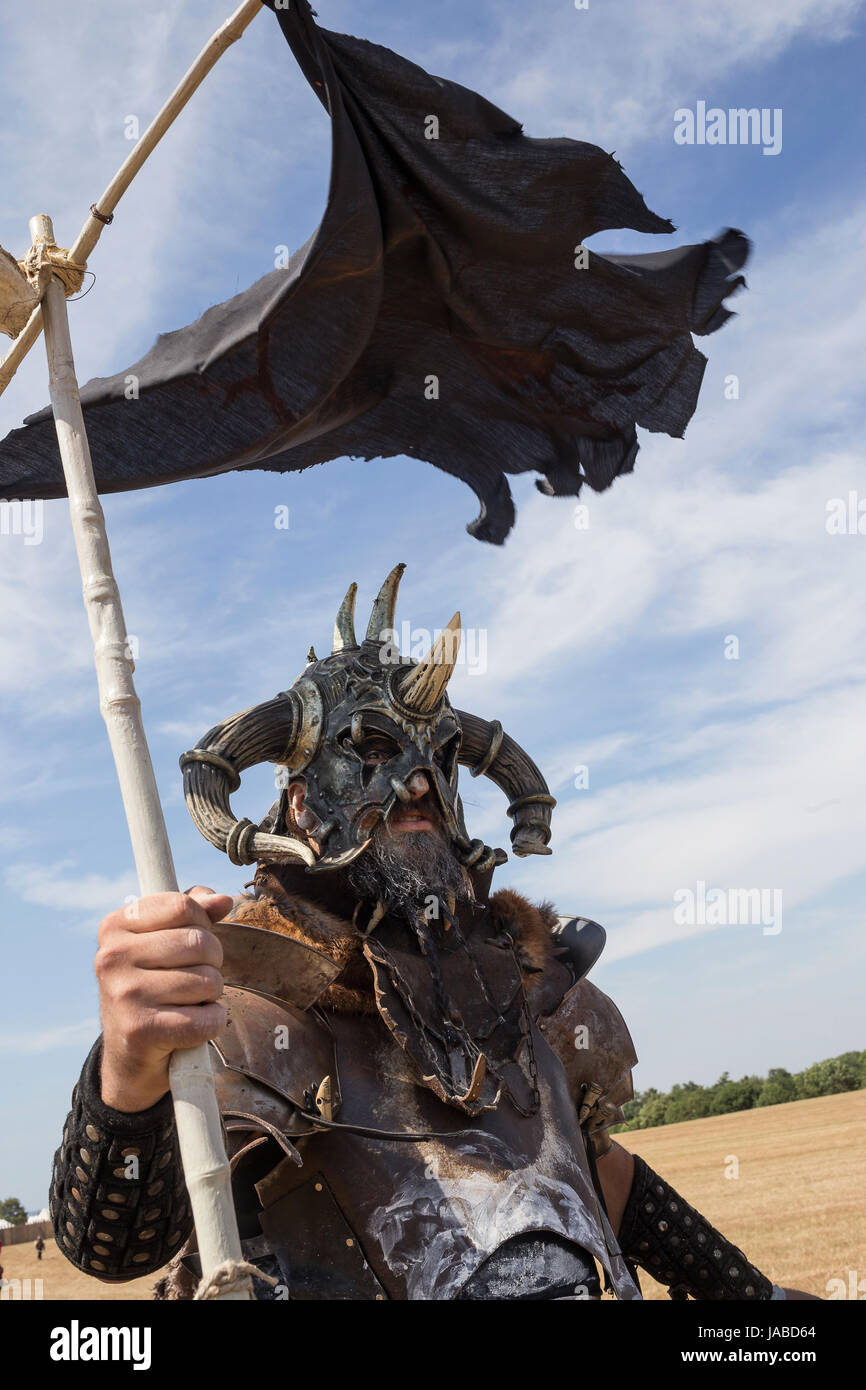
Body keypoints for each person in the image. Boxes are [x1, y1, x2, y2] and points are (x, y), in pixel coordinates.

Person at [49, 568, 818, 1301]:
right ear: (300, 802)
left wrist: (758, 1310)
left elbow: (588, 1181)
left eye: (434, 758)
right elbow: (115, 1248)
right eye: (372, 753)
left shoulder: (527, 992)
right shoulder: (244, 1013)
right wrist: (130, 1063)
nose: (416, 784)